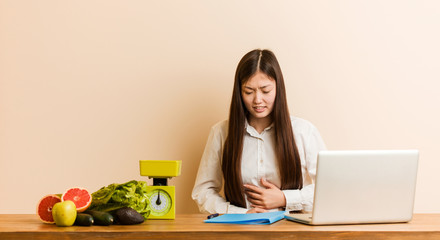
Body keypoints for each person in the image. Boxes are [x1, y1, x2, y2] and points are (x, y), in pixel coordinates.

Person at [192, 49, 326, 214]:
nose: (257, 100)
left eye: (265, 91)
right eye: (248, 92)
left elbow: (329, 190)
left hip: (292, 233)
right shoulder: (221, 132)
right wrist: (241, 214)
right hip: (239, 233)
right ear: (239, 93)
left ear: (278, 88)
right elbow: (203, 192)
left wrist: (285, 199)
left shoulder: (304, 132)